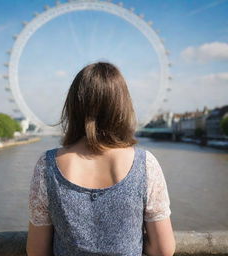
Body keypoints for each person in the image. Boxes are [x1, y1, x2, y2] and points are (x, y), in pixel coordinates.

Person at [26, 62, 176, 256]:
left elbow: (37, 251)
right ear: (122, 106)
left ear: (73, 106)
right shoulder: (146, 165)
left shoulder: (47, 166)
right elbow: (163, 250)